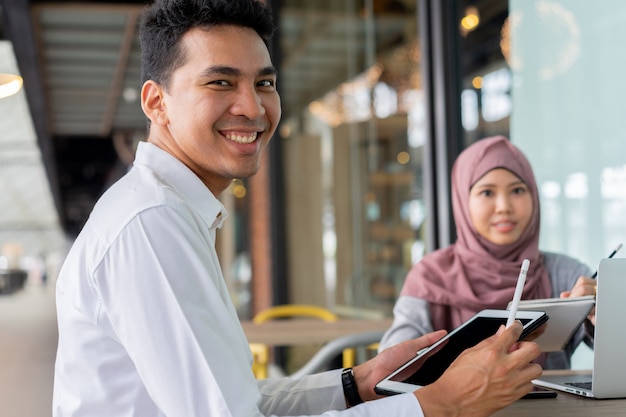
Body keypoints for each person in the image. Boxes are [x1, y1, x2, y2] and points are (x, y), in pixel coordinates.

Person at [51, 2, 542, 416]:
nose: (252, 106)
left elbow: (238, 401)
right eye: (221, 83)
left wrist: (360, 382)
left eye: (263, 83)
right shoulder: (151, 224)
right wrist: (441, 403)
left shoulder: (169, 212)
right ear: (157, 103)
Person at [379, 135, 596, 369]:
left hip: (553, 406)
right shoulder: (431, 276)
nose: (504, 206)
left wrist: (604, 320)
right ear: (463, 201)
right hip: (457, 406)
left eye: (517, 190)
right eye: (487, 193)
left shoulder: (564, 274)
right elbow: (391, 367)